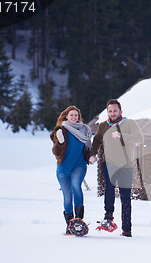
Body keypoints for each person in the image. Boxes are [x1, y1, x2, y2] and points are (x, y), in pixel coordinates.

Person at [90, 99, 144, 237]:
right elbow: (96, 140)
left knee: (125, 198)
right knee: (109, 187)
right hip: (109, 163)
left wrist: (122, 136)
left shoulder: (130, 123)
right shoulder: (103, 126)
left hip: (126, 166)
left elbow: (140, 138)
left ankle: (127, 230)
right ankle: (108, 218)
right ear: (107, 112)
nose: (112, 113)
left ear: (120, 111)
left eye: (115, 111)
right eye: (110, 111)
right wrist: (92, 154)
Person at [50, 105, 94, 235]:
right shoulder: (61, 130)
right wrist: (60, 142)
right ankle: (69, 224)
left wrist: (92, 156)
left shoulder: (85, 130)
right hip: (63, 168)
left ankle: (78, 221)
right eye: (71, 115)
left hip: (79, 165)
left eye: (76, 115)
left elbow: (88, 148)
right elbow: (55, 151)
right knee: (67, 197)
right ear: (66, 117)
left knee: (76, 186)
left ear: (78, 117)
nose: (74, 117)